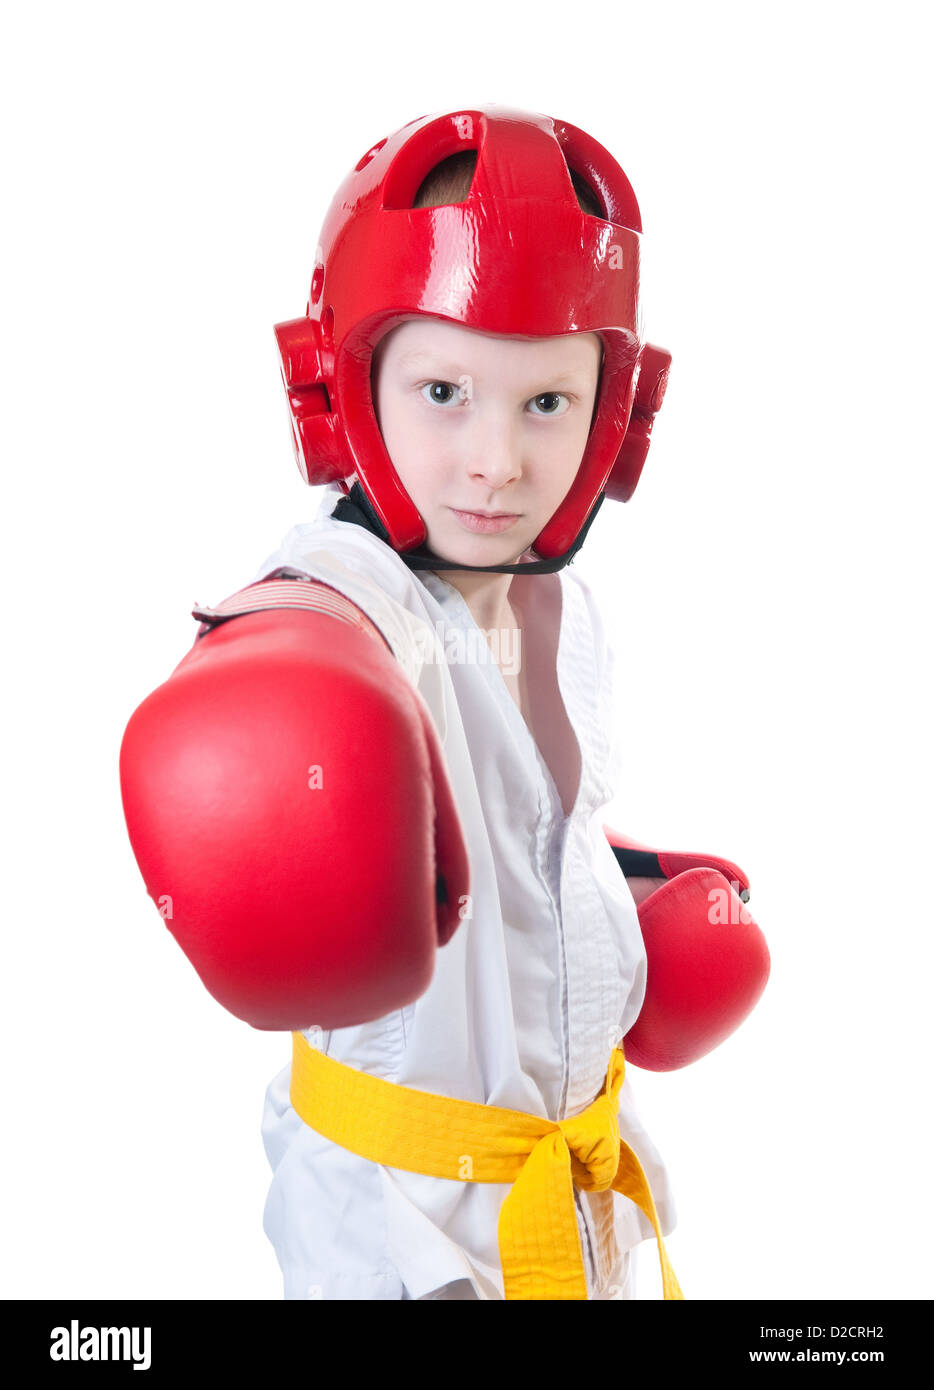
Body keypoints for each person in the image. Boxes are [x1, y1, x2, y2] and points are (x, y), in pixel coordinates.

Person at [120, 106, 770, 1302]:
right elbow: (298, 647)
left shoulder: (558, 606)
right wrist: (267, 701)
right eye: (441, 390)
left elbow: (506, 833)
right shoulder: (345, 601)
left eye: (544, 404)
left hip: (573, 1199)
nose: (495, 462)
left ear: (614, 416)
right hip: (403, 1234)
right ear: (340, 387)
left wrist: (620, 895)